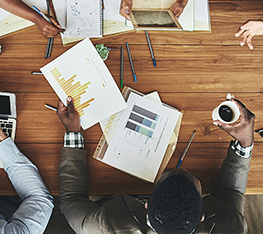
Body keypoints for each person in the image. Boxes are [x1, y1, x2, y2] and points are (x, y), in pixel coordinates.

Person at [57, 96, 255, 234]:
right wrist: (245, 144)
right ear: (201, 215)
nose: (183, 168)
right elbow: (230, 191)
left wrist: (73, 133)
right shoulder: (231, 227)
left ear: (147, 203)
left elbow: (71, 199)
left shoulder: (103, 227)